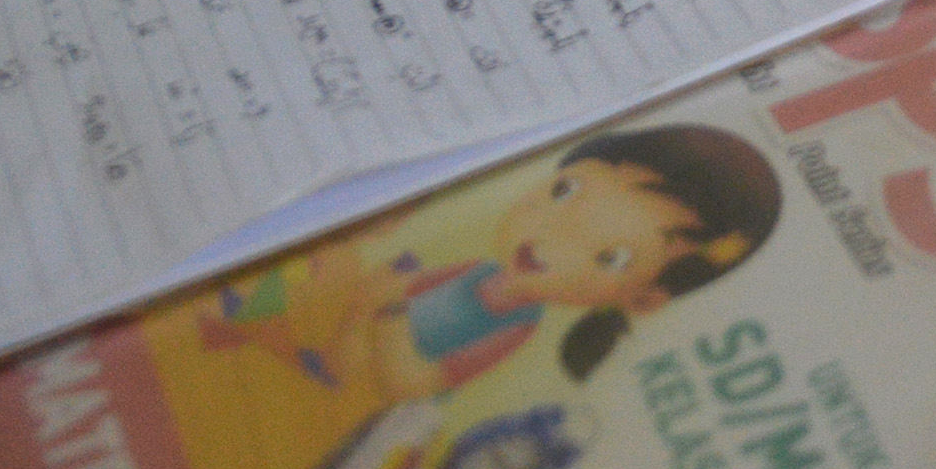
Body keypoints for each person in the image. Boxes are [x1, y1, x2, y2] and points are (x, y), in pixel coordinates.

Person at [202, 124, 781, 406]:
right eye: (564, 193)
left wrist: (392, 312)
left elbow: (412, 384)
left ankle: (247, 329)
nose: (549, 237)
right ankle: (249, 328)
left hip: (352, 395)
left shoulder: (517, 326)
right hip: (340, 353)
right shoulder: (480, 270)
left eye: (611, 256)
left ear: (643, 297)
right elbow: (396, 289)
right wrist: (385, 292)